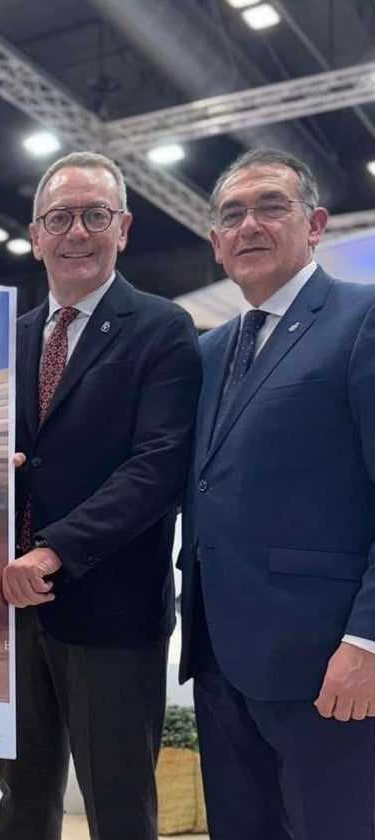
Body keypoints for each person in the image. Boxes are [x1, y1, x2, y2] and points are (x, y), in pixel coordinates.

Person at [0, 151, 201, 840]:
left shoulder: (163, 329)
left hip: (112, 616)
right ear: (36, 235)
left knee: (118, 810)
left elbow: (157, 469)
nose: (76, 232)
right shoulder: (12, 336)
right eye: (59, 217)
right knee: (21, 803)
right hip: (11, 610)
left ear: (124, 228)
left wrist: (54, 552)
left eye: (94, 215)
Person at [178, 148, 375, 840]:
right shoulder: (208, 351)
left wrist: (368, 641)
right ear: (216, 243)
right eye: (232, 214)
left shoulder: (363, 319)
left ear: (316, 223)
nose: (249, 225)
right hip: (220, 659)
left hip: (325, 667)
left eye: (271, 206)